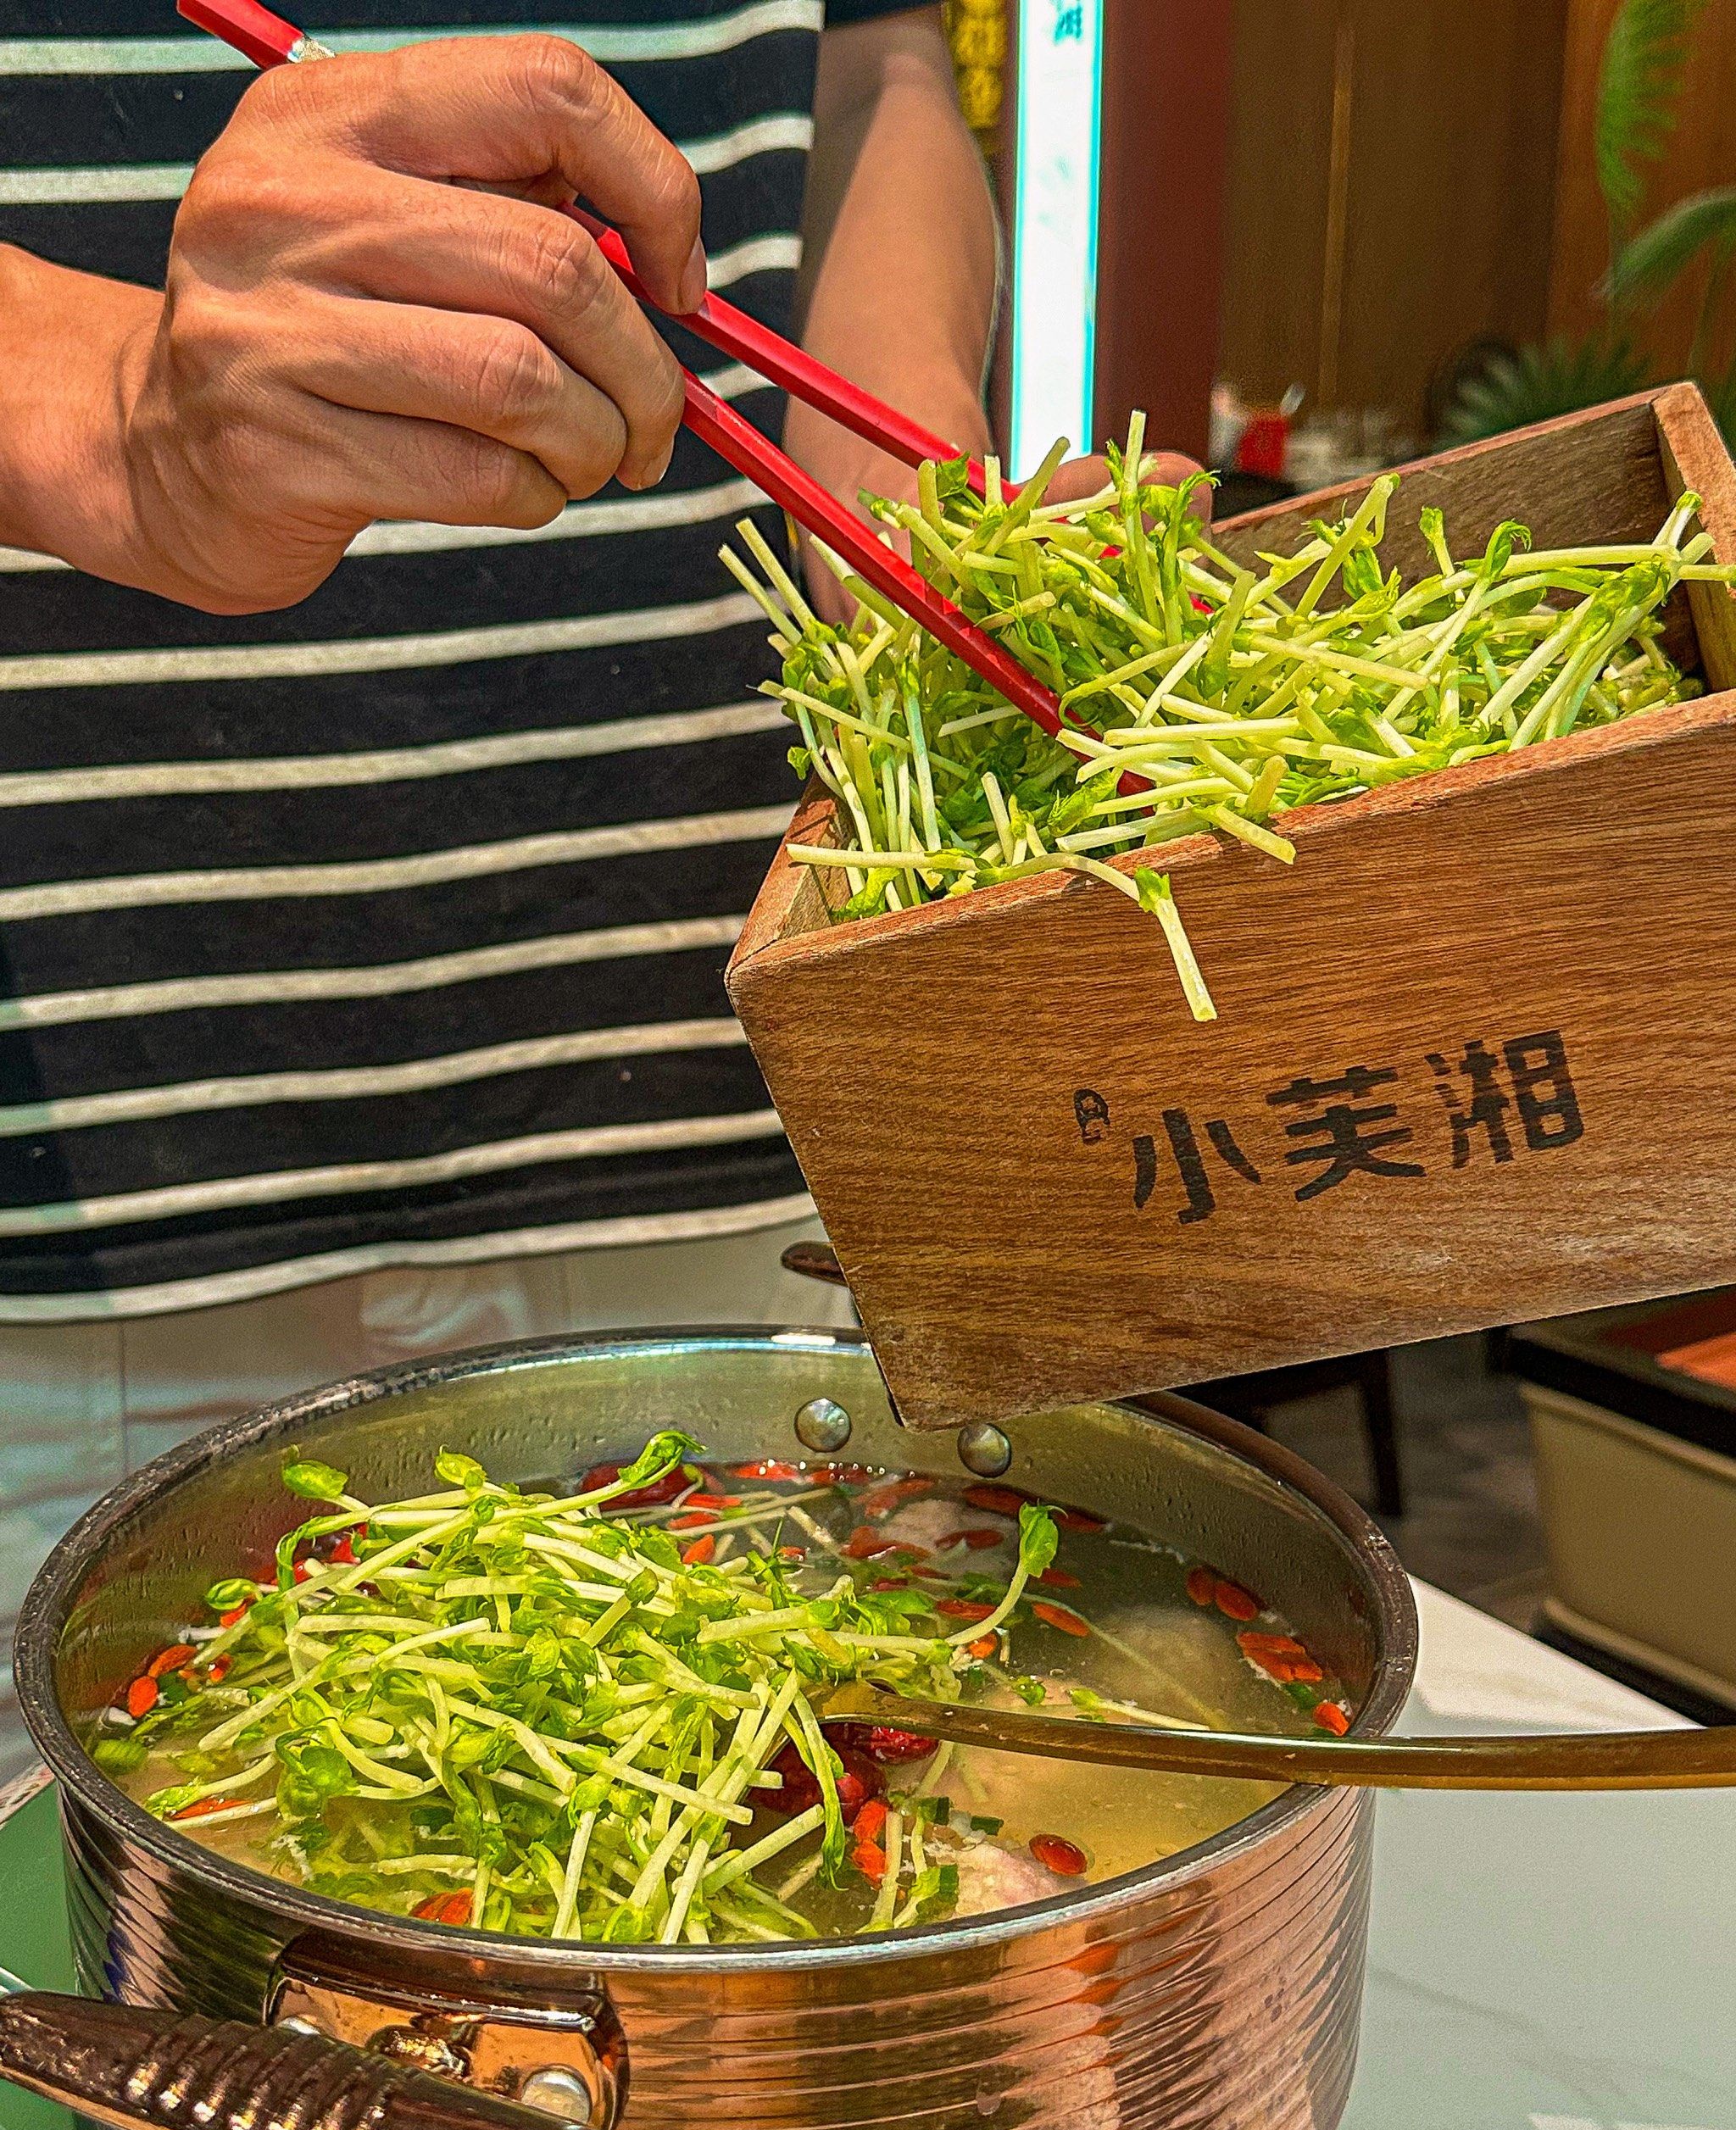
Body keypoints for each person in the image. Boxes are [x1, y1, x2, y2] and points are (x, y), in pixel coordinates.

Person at [0, 2, 1194, 1777]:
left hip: (736, 1125)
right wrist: (109, 411)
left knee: (800, 1898)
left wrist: (887, 453)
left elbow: (873, 62)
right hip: (95, 1208)